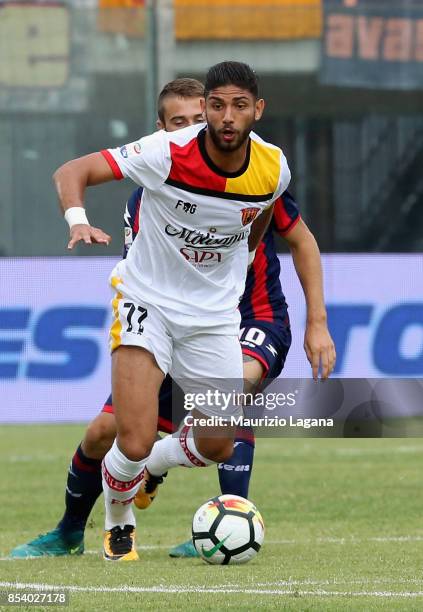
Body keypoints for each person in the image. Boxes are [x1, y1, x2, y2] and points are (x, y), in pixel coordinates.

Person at [52, 61, 335, 562]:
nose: (228, 117)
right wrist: (78, 220)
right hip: (149, 304)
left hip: (214, 317)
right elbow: (72, 170)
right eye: (218, 105)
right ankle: (119, 521)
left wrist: (246, 256)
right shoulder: (165, 152)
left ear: (258, 111)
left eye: (240, 106)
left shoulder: (273, 166)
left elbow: (265, 210)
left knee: (217, 444)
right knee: (132, 439)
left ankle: (149, 469)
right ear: (205, 109)